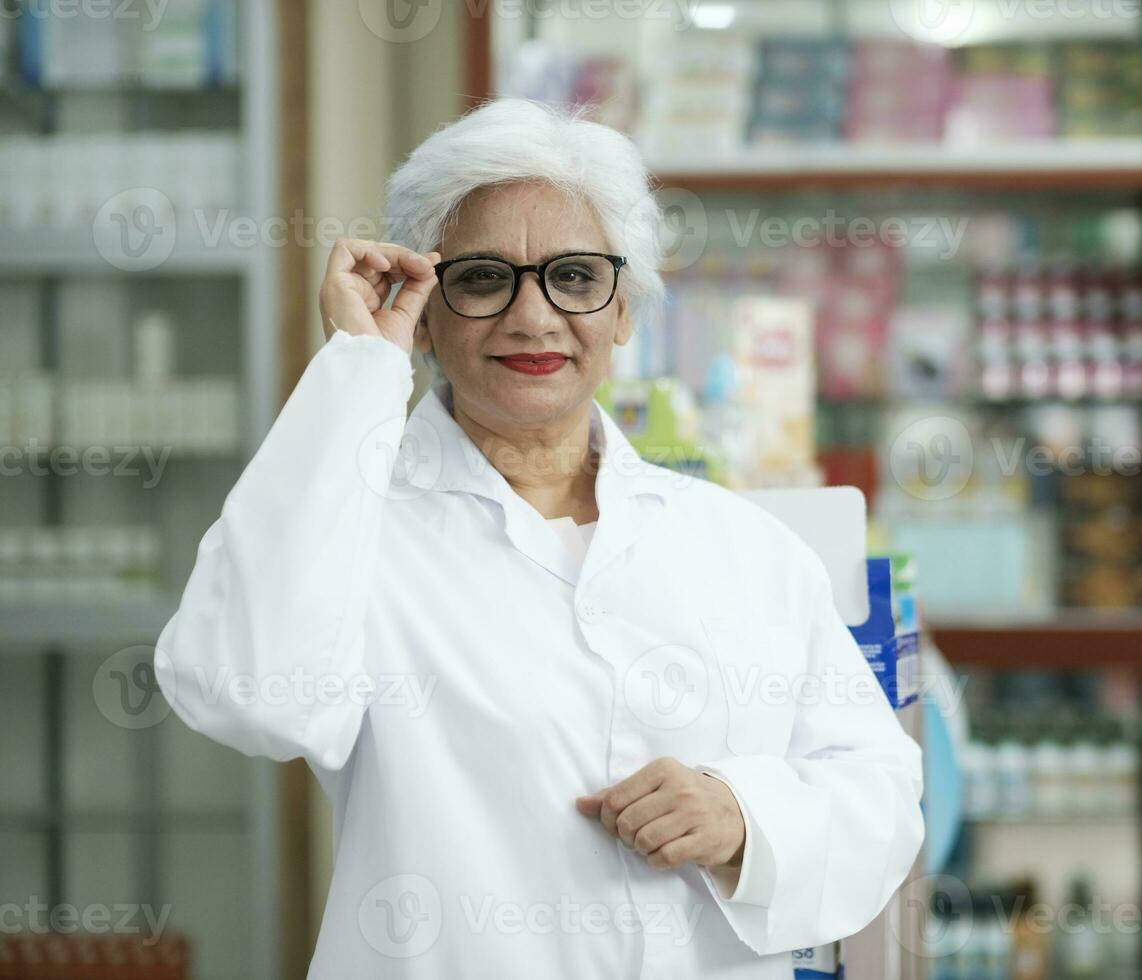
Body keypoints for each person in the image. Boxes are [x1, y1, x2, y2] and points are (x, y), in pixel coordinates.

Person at [155, 98, 923, 978]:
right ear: (424, 305)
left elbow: (880, 790)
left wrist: (743, 818)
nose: (533, 317)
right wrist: (359, 366)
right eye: (483, 277)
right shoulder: (357, 533)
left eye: (575, 275)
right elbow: (245, 689)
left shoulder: (741, 547)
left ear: (624, 307)